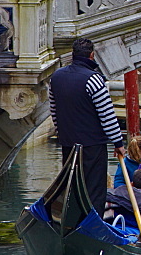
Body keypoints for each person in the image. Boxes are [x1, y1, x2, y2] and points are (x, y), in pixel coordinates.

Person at [49, 37, 126, 214]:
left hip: (68, 143)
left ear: (73, 55)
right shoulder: (94, 80)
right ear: (92, 55)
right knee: (94, 188)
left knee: (72, 183)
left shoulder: (56, 77)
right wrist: (118, 144)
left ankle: (74, 219)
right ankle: (92, 222)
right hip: (92, 146)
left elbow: (54, 111)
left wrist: (63, 133)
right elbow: (107, 116)